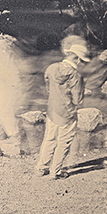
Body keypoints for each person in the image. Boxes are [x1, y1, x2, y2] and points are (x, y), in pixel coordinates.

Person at [36, 35, 91, 179]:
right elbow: (77, 100)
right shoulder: (75, 75)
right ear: (78, 59)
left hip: (52, 110)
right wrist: (84, 91)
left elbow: (48, 88)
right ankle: (56, 172)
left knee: (49, 139)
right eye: (81, 61)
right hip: (67, 114)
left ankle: (41, 168)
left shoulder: (52, 68)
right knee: (63, 143)